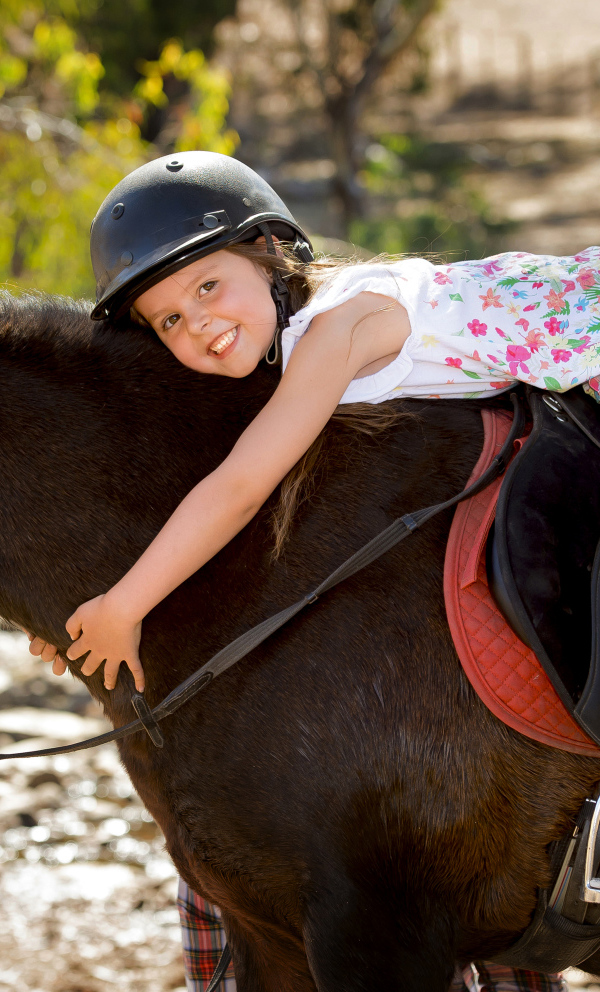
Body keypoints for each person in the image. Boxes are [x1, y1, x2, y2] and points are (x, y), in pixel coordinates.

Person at [28, 150, 592, 991]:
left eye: (208, 288)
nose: (199, 326)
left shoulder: (337, 330)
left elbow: (241, 486)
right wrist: (88, 612)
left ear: (268, 254)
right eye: (169, 321)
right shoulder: (288, 348)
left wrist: (127, 602)